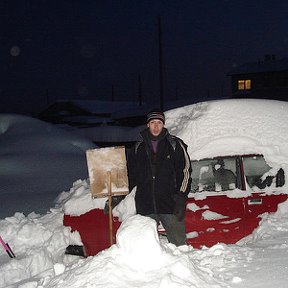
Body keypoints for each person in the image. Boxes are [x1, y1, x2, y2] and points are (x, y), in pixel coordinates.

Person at [127, 109, 192, 246]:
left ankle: (181, 266)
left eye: (159, 122)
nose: (156, 126)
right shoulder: (138, 148)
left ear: (163, 124)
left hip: (170, 204)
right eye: (152, 122)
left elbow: (185, 171)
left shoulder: (175, 145)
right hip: (146, 205)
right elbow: (131, 175)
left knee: (178, 245)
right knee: (146, 246)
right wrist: (118, 195)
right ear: (147, 125)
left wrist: (180, 197)